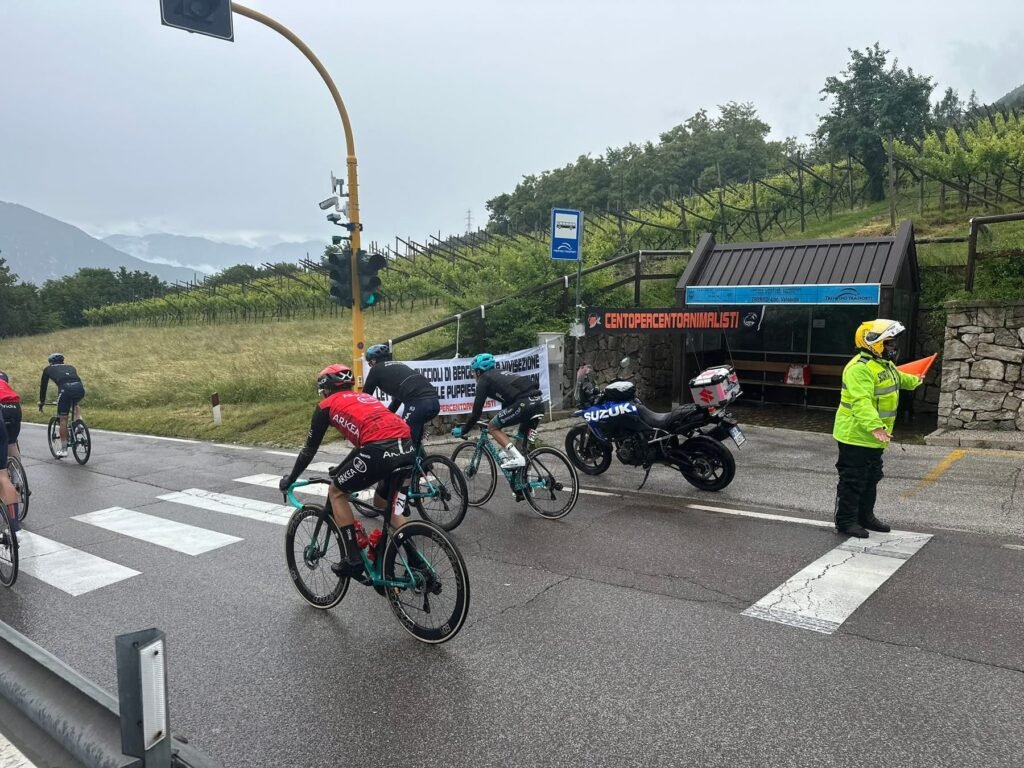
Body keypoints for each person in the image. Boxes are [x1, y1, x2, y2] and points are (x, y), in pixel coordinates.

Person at [278, 364, 415, 579]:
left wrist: (290, 479)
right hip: (407, 447)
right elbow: (366, 441)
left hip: (378, 451)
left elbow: (308, 451)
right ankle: (416, 562)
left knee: (336, 493)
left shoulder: (326, 405)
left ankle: (353, 559)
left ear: (326, 389)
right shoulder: (365, 398)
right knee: (389, 507)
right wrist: (342, 468)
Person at [833, 319, 921, 538]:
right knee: (853, 480)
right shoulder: (859, 368)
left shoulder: (883, 364)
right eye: (889, 343)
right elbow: (861, 401)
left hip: (875, 437)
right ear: (874, 343)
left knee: (872, 477)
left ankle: (865, 517)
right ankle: (846, 521)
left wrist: (916, 380)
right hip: (855, 435)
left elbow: (899, 378)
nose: (893, 347)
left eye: (893, 343)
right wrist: (875, 426)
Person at [451, 352, 544, 470]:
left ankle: (517, 459)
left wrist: (464, 430)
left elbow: (476, 413)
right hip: (539, 403)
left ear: (478, 372)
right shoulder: (500, 374)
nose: (473, 375)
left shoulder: (484, 379)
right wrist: (500, 419)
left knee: (493, 427)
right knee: (522, 449)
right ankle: (526, 480)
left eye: (473, 372)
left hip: (524, 404)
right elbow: (507, 403)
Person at [363, 343, 441, 450]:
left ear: (373, 360)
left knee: (404, 438)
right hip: (434, 402)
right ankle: (422, 460)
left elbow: (365, 397)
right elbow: (398, 399)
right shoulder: (399, 365)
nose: (370, 365)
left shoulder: (376, 370)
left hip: (418, 404)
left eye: (370, 363)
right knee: (414, 440)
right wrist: (388, 415)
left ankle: (413, 458)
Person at [38, 353, 86, 459]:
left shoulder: (48, 369)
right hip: (79, 388)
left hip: (65, 390)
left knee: (63, 418)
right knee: (75, 404)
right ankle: (79, 424)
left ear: (50, 362)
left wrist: (41, 401)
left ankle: (64, 449)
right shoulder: (71, 367)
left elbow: (43, 387)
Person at [0, 371, 22, 462]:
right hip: (14, 404)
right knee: (11, 443)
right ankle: (17, 469)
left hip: (1, 404)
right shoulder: (2, 374)